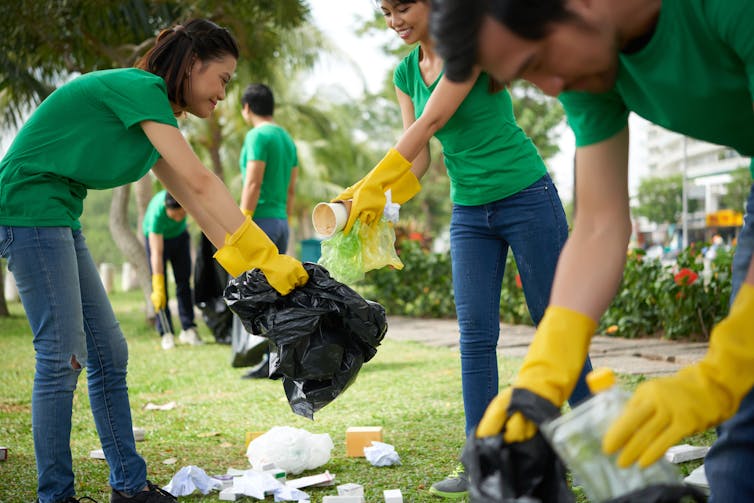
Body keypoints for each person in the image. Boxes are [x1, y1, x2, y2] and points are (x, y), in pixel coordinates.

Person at [429, 0, 754, 500]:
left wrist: (727, 367)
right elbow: (600, 223)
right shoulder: (590, 62)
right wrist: (546, 367)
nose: (551, 88)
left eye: (535, 62)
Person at [0, 19, 308, 503]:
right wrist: (267, 254)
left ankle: (129, 487)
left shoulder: (154, 115)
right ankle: (54, 496)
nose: (224, 95)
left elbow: (195, 198)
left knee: (109, 354)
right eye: (222, 80)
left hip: (58, 211)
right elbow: (204, 183)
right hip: (29, 207)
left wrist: (255, 268)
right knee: (62, 359)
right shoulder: (143, 90)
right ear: (191, 65)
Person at [336, 1, 593, 497]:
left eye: (403, 7)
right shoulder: (405, 73)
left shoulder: (468, 49)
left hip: (526, 196)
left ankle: (591, 445)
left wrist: (367, 184)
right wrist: (368, 202)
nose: (394, 22)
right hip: (470, 213)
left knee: (555, 322)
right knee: (475, 337)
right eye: (386, 12)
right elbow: (417, 163)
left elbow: (429, 124)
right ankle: (482, 460)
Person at [236, 83, 299, 378]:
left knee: (257, 294)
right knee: (276, 292)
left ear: (247, 107)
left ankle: (269, 361)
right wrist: (282, 217)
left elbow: (252, 182)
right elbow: (291, 188)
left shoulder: (257, 135)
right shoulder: (287, 139)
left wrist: (242, 221)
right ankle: (277, 357)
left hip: (259, 221)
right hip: (280, 222)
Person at [143, 190, 202, 350]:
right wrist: (158, 282)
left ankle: (188, 328)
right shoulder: (157, 214)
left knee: (183, 282)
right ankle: (166, 333)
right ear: (166, 207)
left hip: (180, 237)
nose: (178, 218)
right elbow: (157, 253)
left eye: (182, 215)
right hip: (156, 240)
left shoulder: (185, 201)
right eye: (175, 215)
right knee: (160, 291)